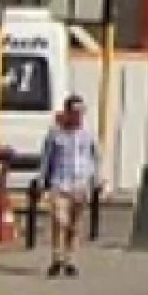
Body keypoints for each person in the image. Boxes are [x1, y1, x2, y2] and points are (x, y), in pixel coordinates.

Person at [39, 94, 102, 278]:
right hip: (60, 182)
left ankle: (69, 260)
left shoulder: (88, 134)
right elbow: (46, 158)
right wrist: (42, 180)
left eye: (81, 112)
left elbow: (95, 157)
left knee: (74, 225)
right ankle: (56, 257)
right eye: (74, 112)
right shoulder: (55, 133)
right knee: (60, 220)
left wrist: (97, 179)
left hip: (80, 184)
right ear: (67, 112)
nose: (78, 116)